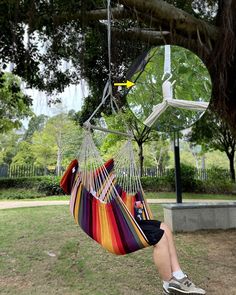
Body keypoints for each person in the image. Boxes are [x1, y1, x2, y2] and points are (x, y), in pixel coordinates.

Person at [137, 217, 206, 295]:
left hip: (129, 221)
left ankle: (178, 275)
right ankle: (168, 285)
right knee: (159, 236)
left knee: (164, 228)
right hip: (121, 227)